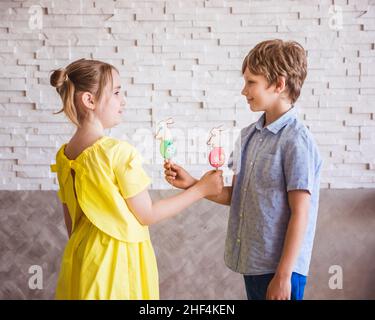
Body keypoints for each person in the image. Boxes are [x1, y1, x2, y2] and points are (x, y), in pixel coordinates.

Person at [50, 58, 223, 299]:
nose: (123, 101)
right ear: (89, 100)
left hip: (81, 256)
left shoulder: (64, 155)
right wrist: (200, 190)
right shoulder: (117, 152)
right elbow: (147, 214)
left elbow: (72, 223)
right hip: (117, 262)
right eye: (117, 92)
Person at [164, 39, 322, 300]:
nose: (243, 90)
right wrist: (193, 184)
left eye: (251, 82)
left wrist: (283, 276)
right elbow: (236, 196)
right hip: (254, 265)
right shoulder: (248, 136)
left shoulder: (296, 141)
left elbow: (300, 214)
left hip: (282, 270)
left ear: (279, 84)